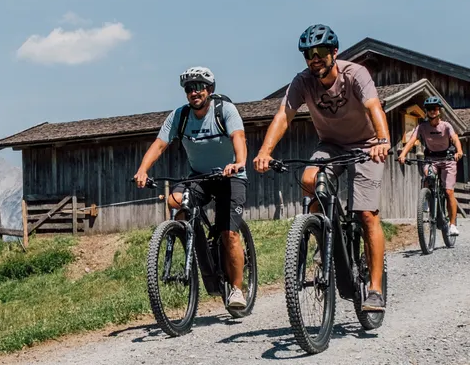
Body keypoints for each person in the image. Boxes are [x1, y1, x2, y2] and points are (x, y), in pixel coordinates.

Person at [253, 24, 390, 311]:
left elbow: (374, 107)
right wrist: (265, 151)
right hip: (330, 145)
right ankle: (322, 235)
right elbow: (283, 116)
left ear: (334, 52)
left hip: (366, 145)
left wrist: (382, 140)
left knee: (366, 214)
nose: (314, 58)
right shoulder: (302, 81)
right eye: (308, 54)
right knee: (308, 180)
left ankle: (375, 289)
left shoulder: (355, 74)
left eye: (321, 52)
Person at [134, 67, 249, 309]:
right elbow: (159, 144)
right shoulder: (180, 115)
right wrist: (143, 170)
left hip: (230, 176)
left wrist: (239, 162)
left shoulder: (224, 110)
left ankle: (237, 290)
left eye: (198, 87)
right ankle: (194, 243)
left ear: (210, 89)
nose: (194, 92)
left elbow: (238, 137)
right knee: (175, 201)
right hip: (200, 176)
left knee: (229, 234)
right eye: (189, 88)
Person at [398, 96, 463, 235]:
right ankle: (426, 199)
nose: (432, 111)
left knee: (449, 191)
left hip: (448, 159)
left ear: (439, 110)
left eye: (435, 108)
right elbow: (412, 140)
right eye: (429, 109)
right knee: (427, 175)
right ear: (426, 111)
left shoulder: (446, 126)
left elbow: (455, 138)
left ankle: (452, 225)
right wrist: (403, 154)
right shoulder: (422, 127)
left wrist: (459, 151)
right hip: (431, 158)